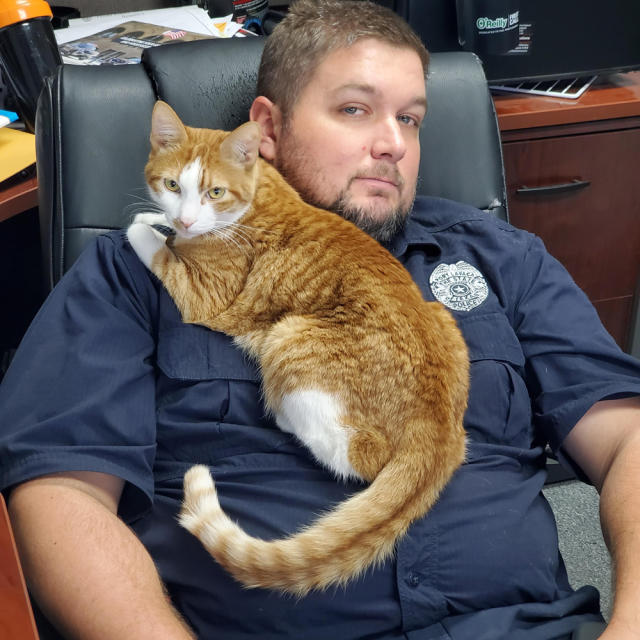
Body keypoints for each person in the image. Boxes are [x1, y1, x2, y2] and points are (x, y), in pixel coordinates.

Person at [1, 1, 640, 639]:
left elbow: (625, 439)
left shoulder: (503, 258)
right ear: (266, 133)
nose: (392, 144)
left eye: (411, 119)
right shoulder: (135, 269)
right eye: (354, 109)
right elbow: (60, 491)